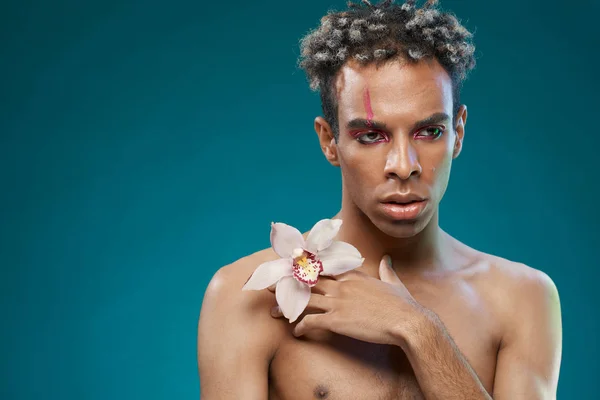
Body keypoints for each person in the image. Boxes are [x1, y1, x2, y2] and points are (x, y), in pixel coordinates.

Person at [197, 0, 562, 398]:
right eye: (370, 135)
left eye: (429, 132)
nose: (403, 166)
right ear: (329, 141)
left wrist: (419, 330)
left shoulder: (523, 299)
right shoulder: (246, 295)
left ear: (458, 132)